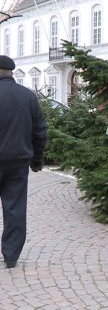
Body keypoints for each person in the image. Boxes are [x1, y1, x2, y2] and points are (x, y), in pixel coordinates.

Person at [0, 55, 47, 268]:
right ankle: (11, 255)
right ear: (11, 72)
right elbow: (40, 131)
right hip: (18, 161)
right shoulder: (27, 96)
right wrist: (37, 159)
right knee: (15, 209)